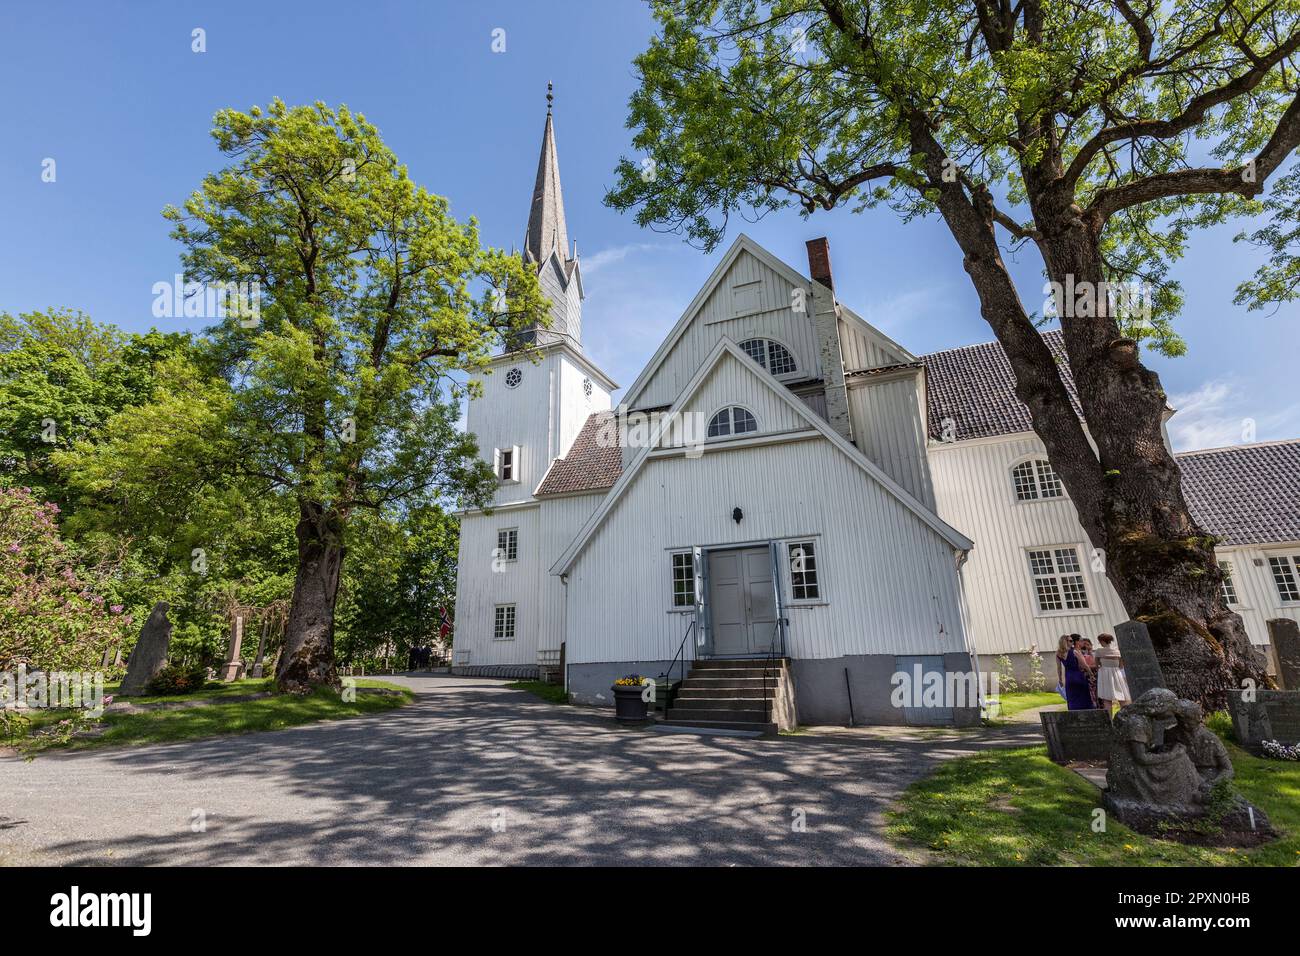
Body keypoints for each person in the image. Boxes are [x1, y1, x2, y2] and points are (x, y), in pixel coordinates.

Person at [1093, 633, 1130, 715]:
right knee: (1122, 698)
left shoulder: (1099, 651)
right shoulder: (1117, 651)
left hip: (1104, 675)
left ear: (1102, 641)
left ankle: (1109, 721)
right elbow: (1121, 665)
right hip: (1117, 674)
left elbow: (1097, 665)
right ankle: (1127, 718)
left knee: (1107, 700)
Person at [1059, 633, 1095, 710]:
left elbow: (1059, 668)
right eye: (1070, 641)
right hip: (1078, 675)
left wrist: (1060, 679)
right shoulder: (1075, 651)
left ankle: (1073, 713)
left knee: (1072, 697)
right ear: (1065, 642)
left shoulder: (1058, 653)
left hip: (1068, 677)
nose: (1072, 643)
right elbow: (1084, 664)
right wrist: (1091, 674)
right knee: (1084, 696)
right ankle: (1087, 712)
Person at [1079, 637, 1099, 709]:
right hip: (1087, 676)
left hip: (1096, 675)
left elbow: (1097, 664)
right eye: (1084, 644)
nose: (1086, 646)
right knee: (1090, 693)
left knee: (1098, 693)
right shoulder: (1080, 654)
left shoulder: (1094, 654)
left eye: (1088, 644)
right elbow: (1082, 666)